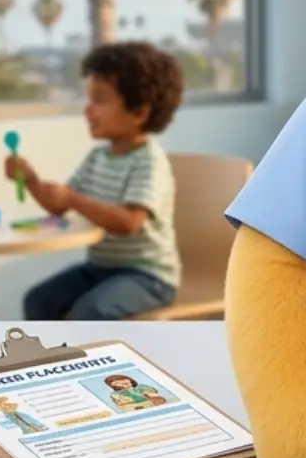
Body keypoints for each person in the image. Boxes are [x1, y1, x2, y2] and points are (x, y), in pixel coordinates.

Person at [12, 42, 182, 320]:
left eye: (99, 100)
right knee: (38, 301)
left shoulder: (149, 162)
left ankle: (90, 363)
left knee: (90, 312)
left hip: (148, 276)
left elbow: (129, 222)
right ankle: (46, 363)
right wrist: (29, 179)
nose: (87, 110)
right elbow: (58, 206)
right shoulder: (97, 156)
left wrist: (72, 199)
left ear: (139, 112)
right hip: (100, 269)